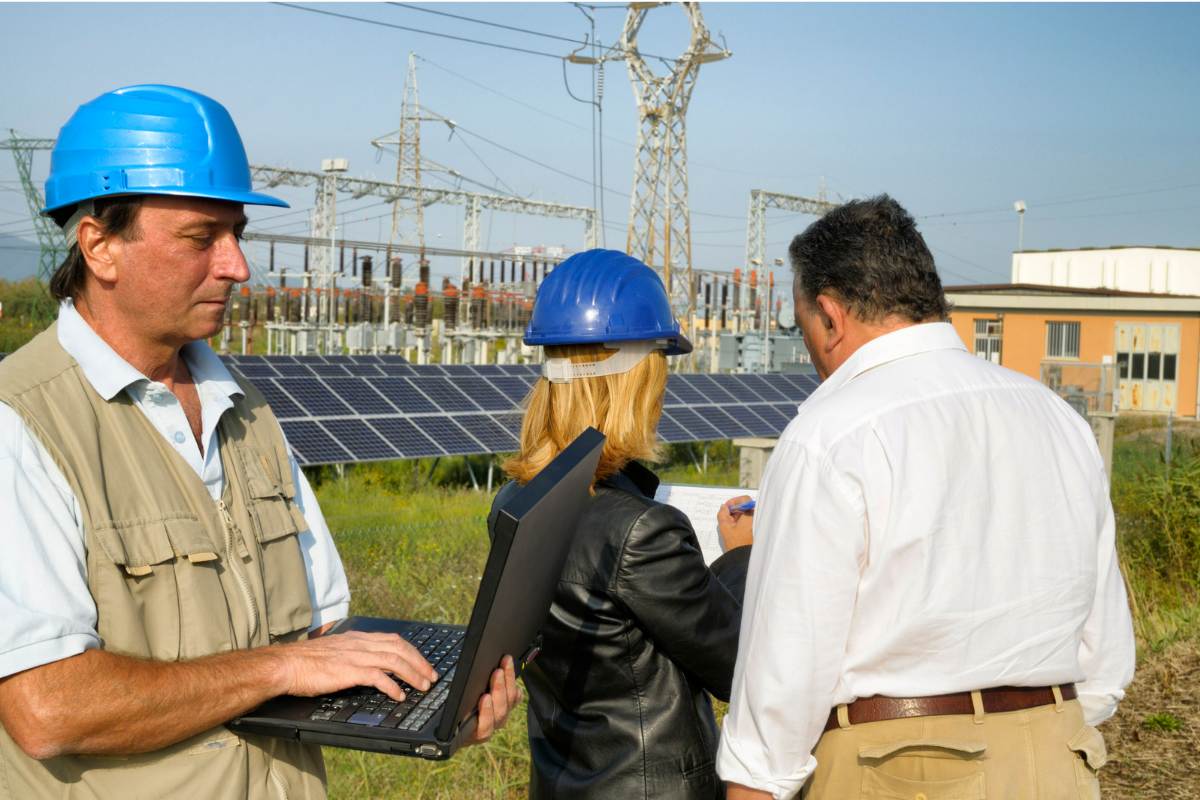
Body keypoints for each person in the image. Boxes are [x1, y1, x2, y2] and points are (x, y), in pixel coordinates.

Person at [0, 84, 517, 799]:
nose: (238, 266)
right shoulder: (21, 425)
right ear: (99, 247)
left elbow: (320, 634)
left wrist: (438, 696)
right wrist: (275, 669)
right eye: (200, 238)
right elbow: (48, 707)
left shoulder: (246, 412)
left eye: (237, 233)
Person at [717, 196, 1136, 800]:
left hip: (893, 768)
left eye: (804, 323)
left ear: (830, 316)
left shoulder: (830, 434)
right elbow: (1105, 655)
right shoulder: (1057, 418)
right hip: (1057, 755)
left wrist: (754, 781)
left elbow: (785, 674)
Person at [489, 248, 753, 799]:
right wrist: (739, 555)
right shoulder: (641, 532)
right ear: (637, 385)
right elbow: (738, 668)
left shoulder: (512, 504)